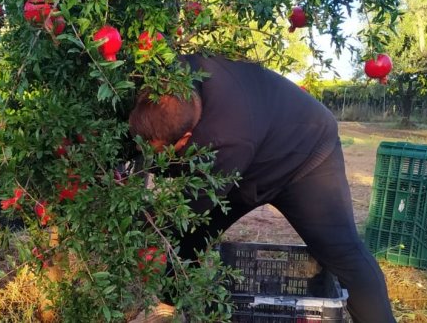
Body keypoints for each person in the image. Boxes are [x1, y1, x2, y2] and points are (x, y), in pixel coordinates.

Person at [128, 54, 395, 323]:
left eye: (162, 153)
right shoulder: (172, 76)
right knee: (192, 237)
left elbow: (185, 212)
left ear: (187, 138)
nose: (152, 158)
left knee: (343, 252)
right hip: (249, 155)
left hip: (303, 155)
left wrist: (138, 224)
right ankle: (167, 308)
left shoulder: (228, 138)